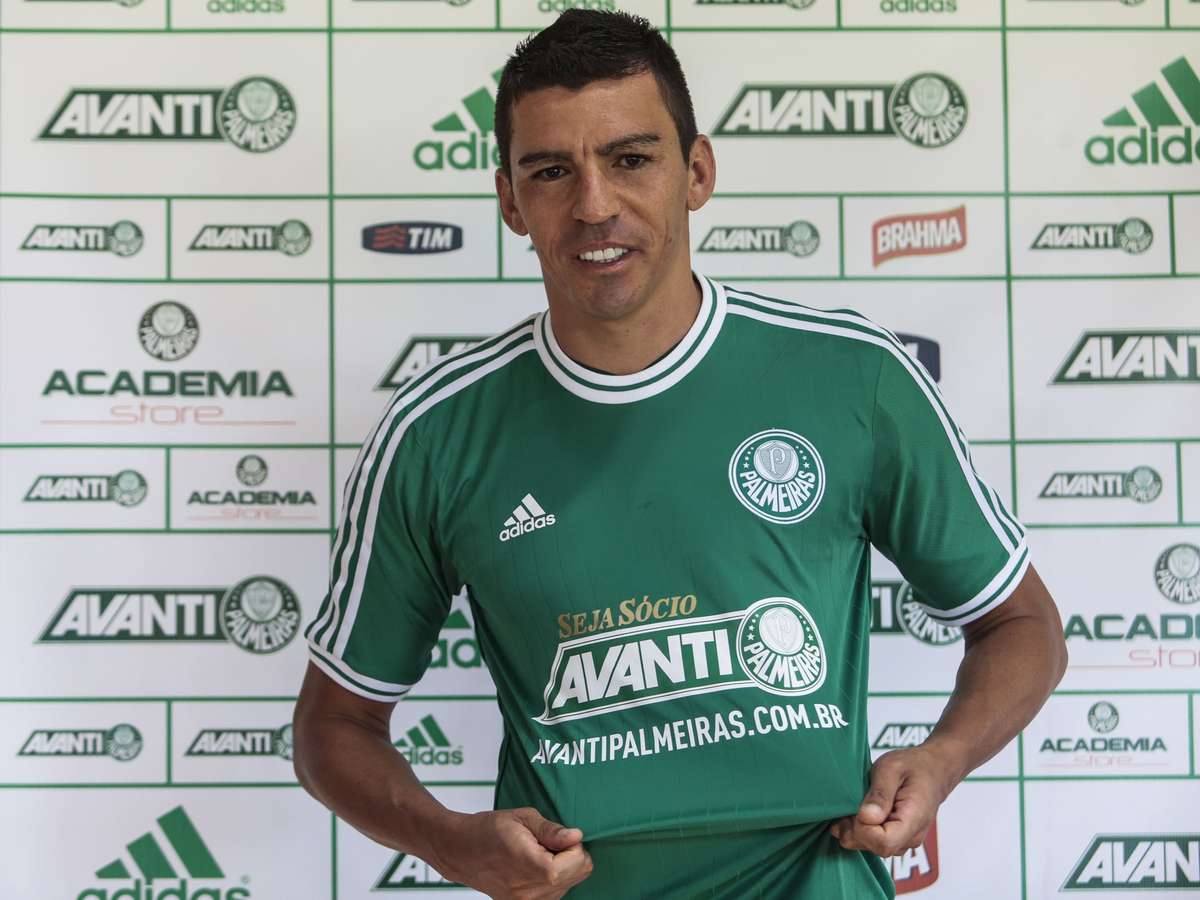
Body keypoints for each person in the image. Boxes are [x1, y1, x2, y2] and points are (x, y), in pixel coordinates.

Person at [293, 10, 1068, 899]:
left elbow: (1023, 626)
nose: (594, 205)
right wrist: (448, 841)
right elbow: (333, 728)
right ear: (510, 200)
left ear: (696, 172)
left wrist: (943, 757)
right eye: (552, 171)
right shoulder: (438, 431)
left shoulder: (852, 377)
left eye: (631, 159)